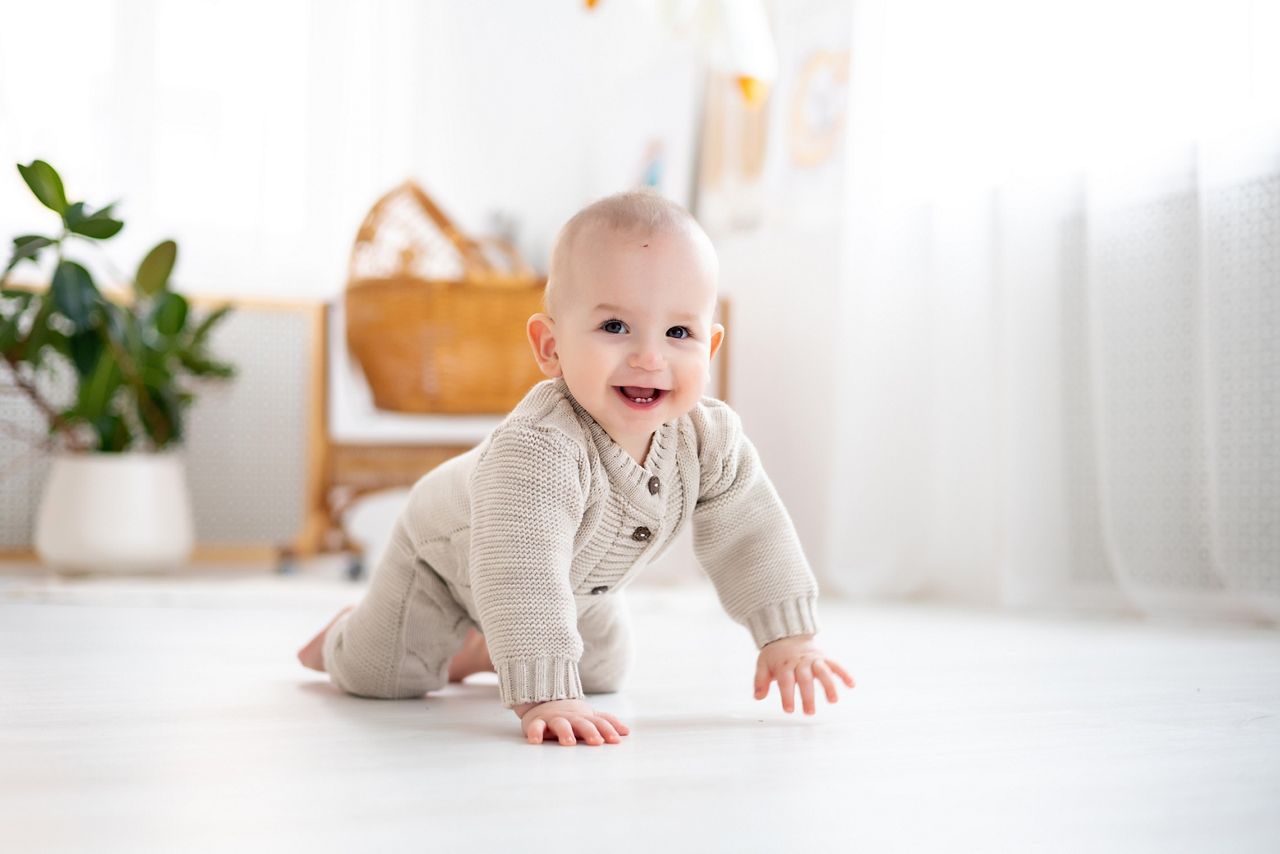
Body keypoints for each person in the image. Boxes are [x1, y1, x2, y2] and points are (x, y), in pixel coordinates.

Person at [298, 190, 855, 747]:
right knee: (387, 675)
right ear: (550, 346)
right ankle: (345, 636)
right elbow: (522, 568)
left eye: (678, 333)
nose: (649, 357)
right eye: (615, 327)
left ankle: (486, 647)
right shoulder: (539, 449)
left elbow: (752, 534)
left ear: (708, 349)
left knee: (602, 671)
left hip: (576, 583)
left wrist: (788, 636)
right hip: (449, 559)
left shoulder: (710, 438)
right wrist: (545, 693)